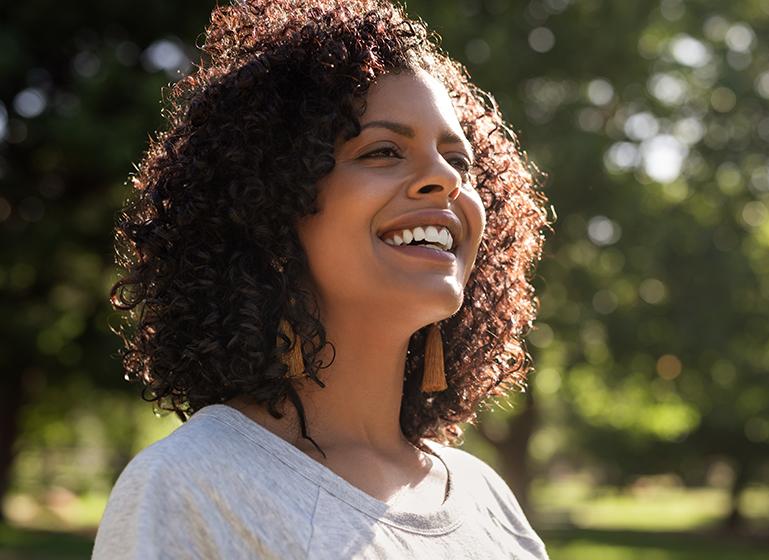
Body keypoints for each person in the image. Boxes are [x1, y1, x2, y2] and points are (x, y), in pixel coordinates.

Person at [93, 0, 550, 558]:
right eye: (383, 151)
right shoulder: (194, 483)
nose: (444, 179)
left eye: (460, 160)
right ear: (273, 208)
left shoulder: (486, 499)